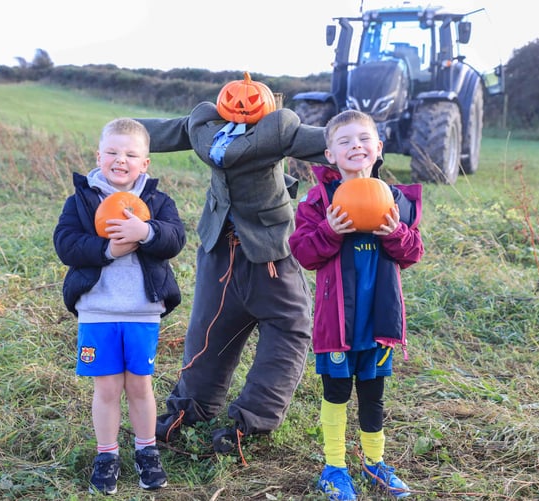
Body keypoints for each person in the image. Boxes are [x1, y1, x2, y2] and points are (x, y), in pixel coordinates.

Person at [135, 73, 328, 455]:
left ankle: (250, 420)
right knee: (209, 331)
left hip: (269, 251)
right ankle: (189, 410)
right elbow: (164, 131)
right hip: (220, 248)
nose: (242, 109)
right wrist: (122, 138)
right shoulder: (210, 129)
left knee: (288, 327)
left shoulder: (275, 130)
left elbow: (324, 141)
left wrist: (359, 144)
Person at [289, 110, 424, 500]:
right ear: (329, 154)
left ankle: (374, 462)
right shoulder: (319, 203)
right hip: (338, 324)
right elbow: (304, 254)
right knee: (336, 393)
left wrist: (395, 232)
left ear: (378, 148)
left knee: (373, 393)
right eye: (344, 141)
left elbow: (413, 252)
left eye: (364, 139)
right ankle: (334, 468)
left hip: (379, 321)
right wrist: (330, 231)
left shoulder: (395, 201)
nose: (355, 147)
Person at [53, 118, 186, 495]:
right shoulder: (81, 200)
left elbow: (175, 238)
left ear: (145, 163)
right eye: (112, 152)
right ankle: (107, 455)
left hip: (142, 311)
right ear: (99, 156)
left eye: (130, 154)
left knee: (140, 386)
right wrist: (107, 250)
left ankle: (146, 451)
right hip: (98, 310)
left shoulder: (157, 202)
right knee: (107, 388)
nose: (120, 160)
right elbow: (65, 244)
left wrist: (146, 232)